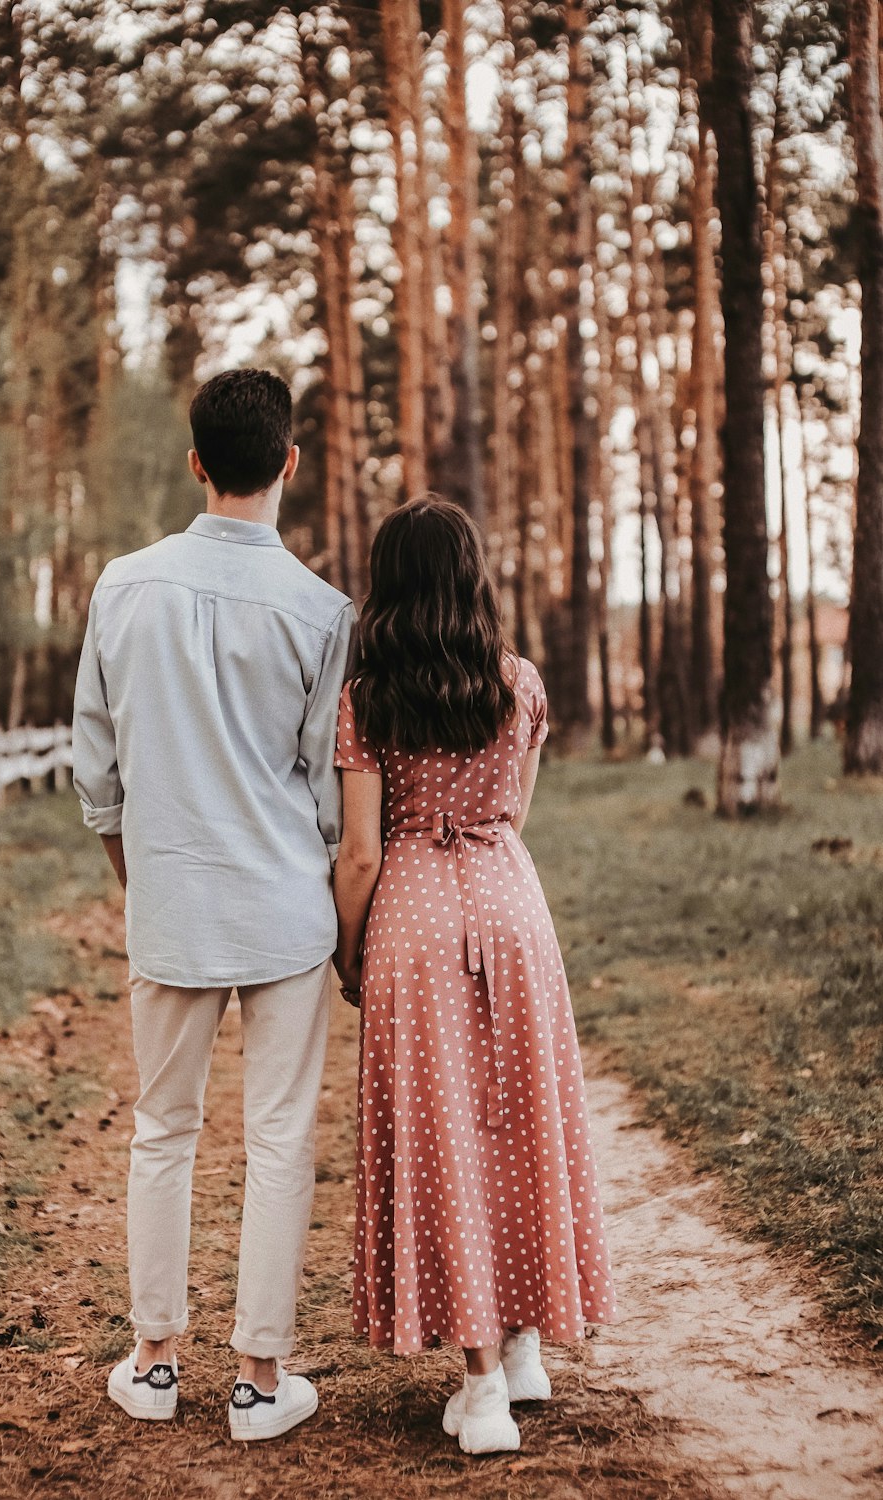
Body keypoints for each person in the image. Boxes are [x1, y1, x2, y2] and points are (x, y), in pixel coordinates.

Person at [72, 368, 356, 1440]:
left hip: (173, 901)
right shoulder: (322, 611)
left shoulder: (120, 586)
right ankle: (260, 1379)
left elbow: (95, 771)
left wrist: (140, 881)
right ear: (290, 462)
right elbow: (327, 792)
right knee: (280, 1138)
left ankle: (152, 1365)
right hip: (286, 907)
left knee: (162, 1131)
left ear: (195, 462)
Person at [332, 495, 616, 1456]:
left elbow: (362, 851)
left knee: (445, 1130)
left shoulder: (369, 694)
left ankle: (485, 1389)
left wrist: (348, 947)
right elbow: (515, 810)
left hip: (412, 911)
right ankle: (527, 1347)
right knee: (521, 1116)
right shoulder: (519, 682)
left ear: (391, 582)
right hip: (507, 899)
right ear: (471, 576)